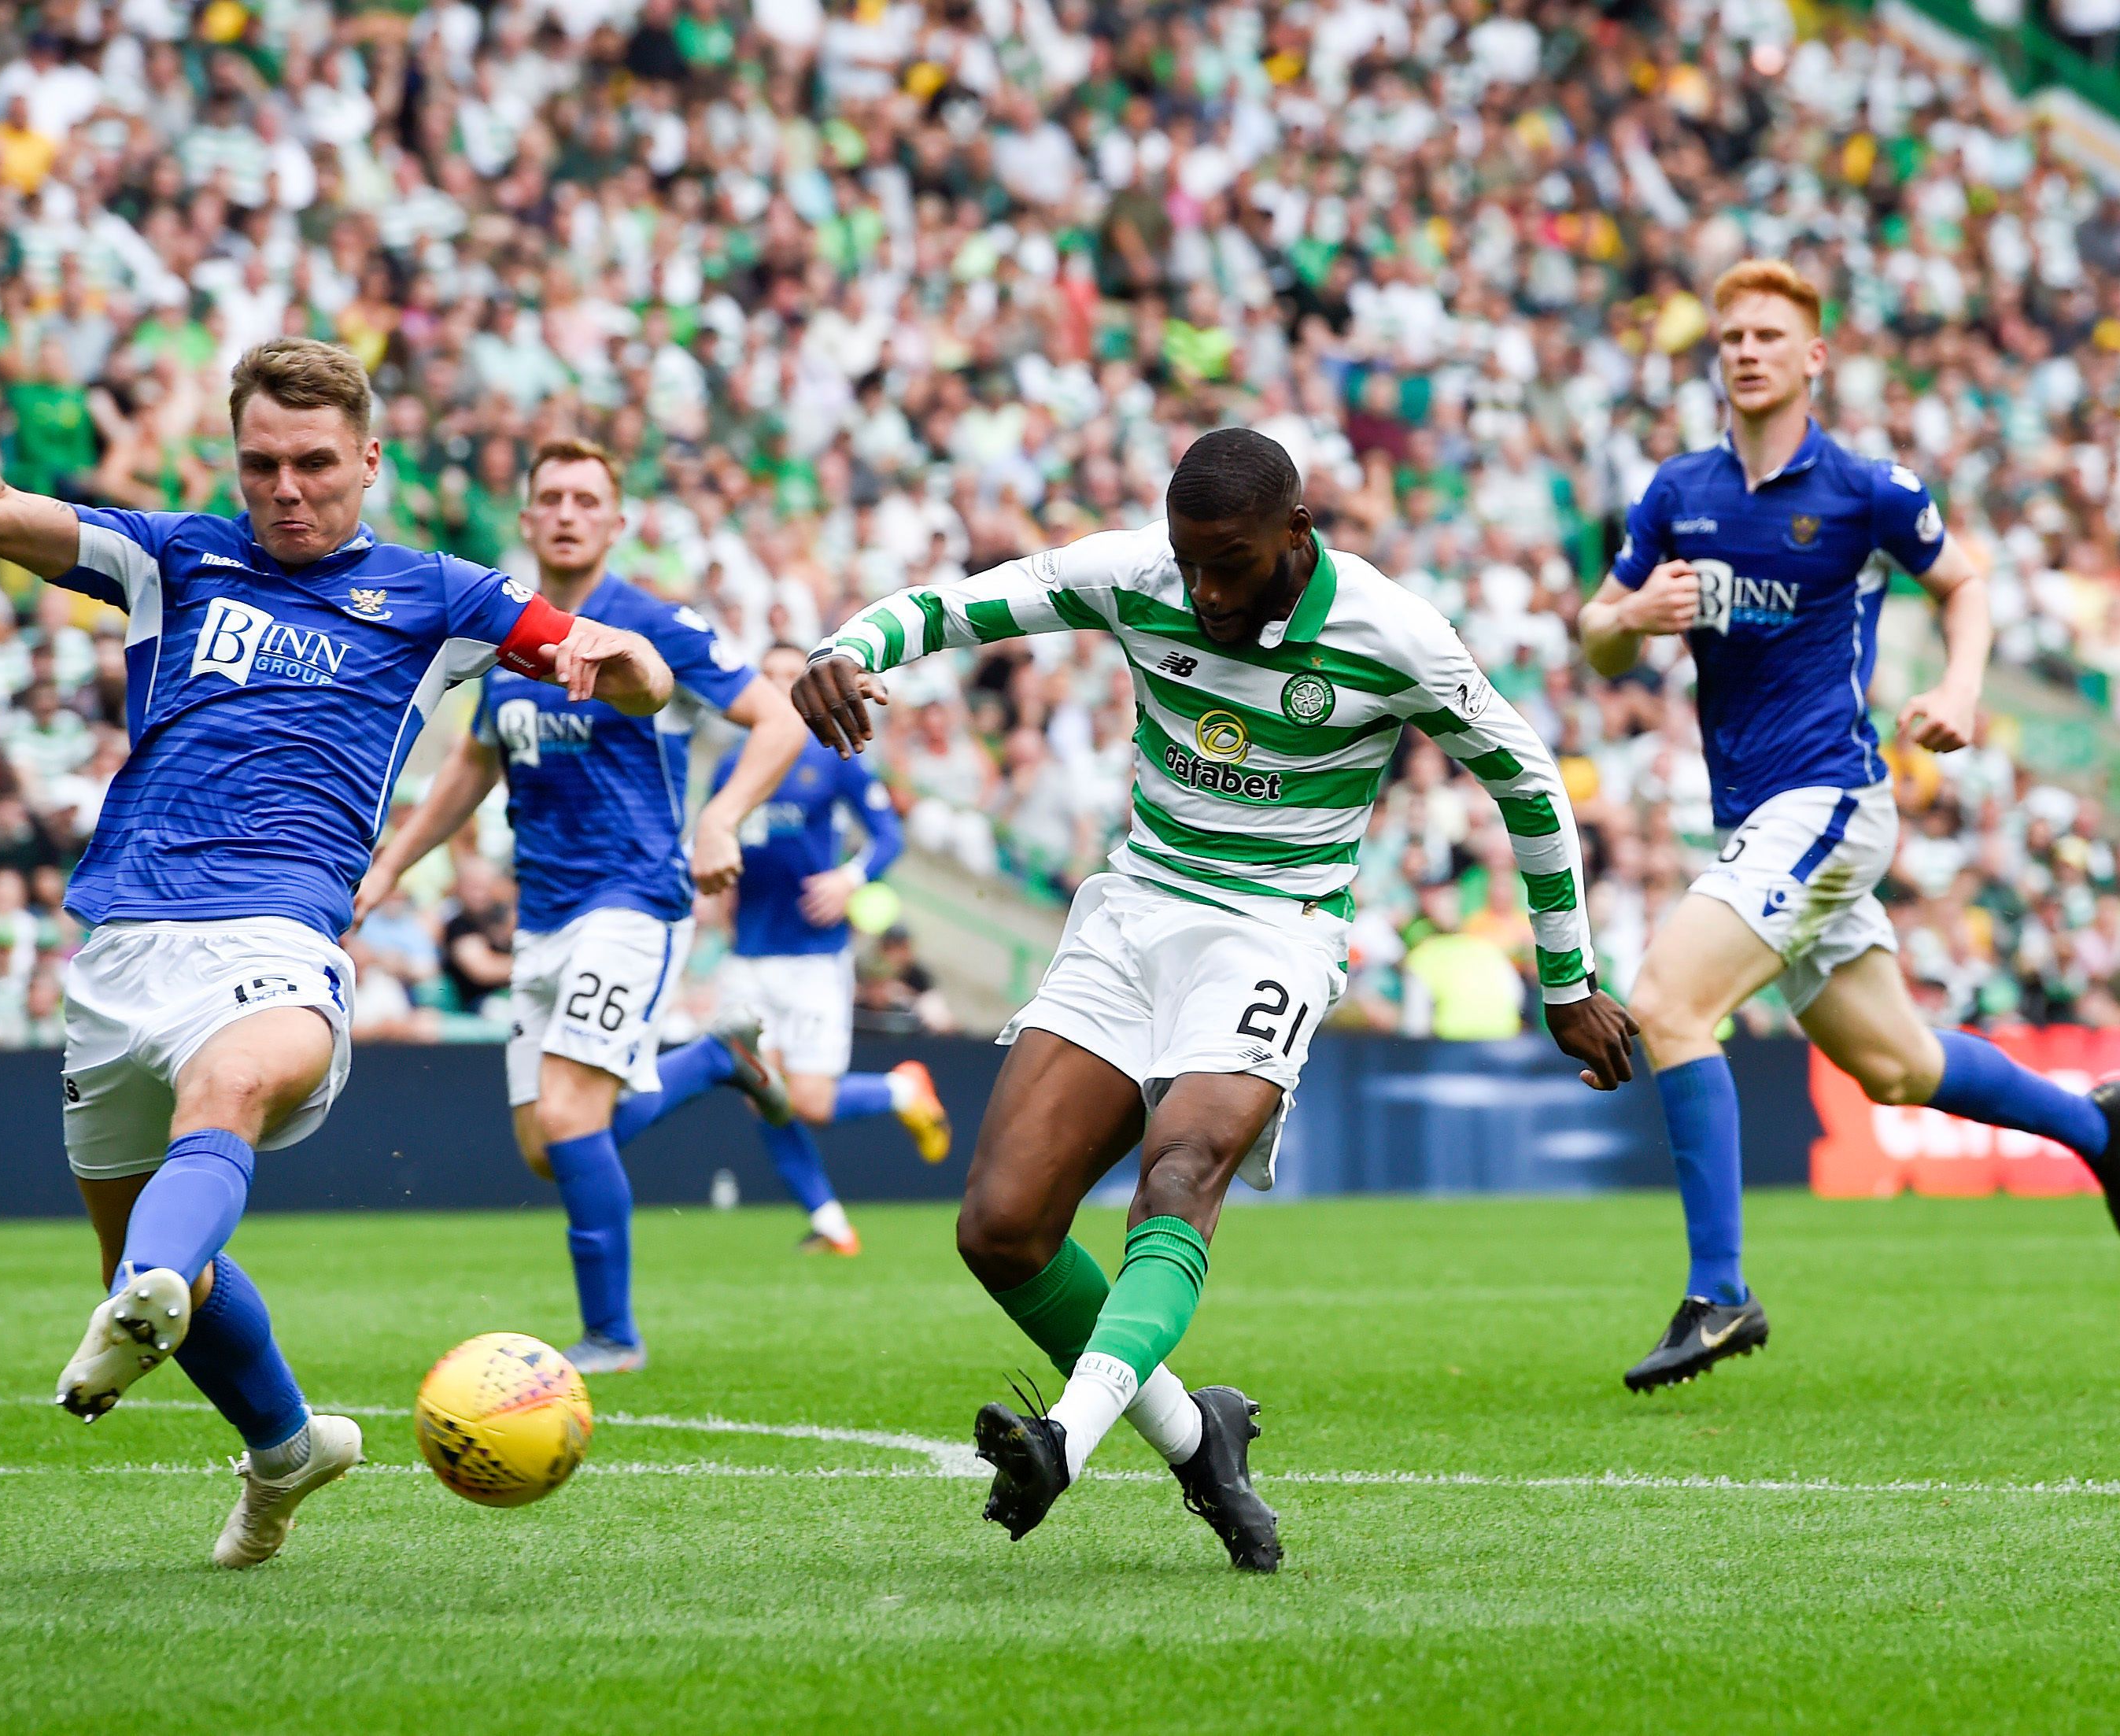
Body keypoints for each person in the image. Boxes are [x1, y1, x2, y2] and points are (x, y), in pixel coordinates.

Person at [0, 244, 669, 1568]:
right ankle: (288, 1449)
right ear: (234, 464)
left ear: (366, 462)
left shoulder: (441, 595)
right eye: (260, 466)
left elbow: (605, 666)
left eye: (311, 463)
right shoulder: (168, 559)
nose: (285, 490)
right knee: (159, 1243)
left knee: (232, 1090)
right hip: (120, 944)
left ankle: (142, 1299)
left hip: (281, 932)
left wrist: (618, 663)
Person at [792, 427, 1637, 1572]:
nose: (1202, 589)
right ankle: (1200, 1439)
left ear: (1296, 533)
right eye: (1187, 559)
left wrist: (1566, 977)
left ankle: (1064, 1440)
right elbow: (958, 607)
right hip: (1134, 912)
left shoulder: (1392, 635)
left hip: (1273, 933)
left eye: (1228, 562)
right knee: (999, 1227)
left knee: (1179, 1173)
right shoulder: (1141, 575)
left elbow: (1524, 780)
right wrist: (843, 647)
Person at [1576, 259, 2120, 1394]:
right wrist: (1629, 618)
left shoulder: (1862, 488)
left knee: (1665, 1002)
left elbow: (1966, 583)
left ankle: (1718, 1290)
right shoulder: (1675, 492)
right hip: (1753, 815)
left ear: (1811, 358)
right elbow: (1596, 632)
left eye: (1766, 335)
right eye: (1729, 334)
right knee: (1895, 1066)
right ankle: (2094, 1129)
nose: (1743, 349)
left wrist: (1959, 687)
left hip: (1831, 798)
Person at [356, 439, 807, 1374]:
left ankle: (612, 1335)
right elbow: (473, 765)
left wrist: (720, 819)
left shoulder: (656, 625)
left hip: (635, 901)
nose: (565, 511)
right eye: (549, 497)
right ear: (524, 520)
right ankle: (715, 1060)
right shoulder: (508, 632)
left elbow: (778, 718)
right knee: (545, 1145)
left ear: (614, 522)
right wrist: (390, 864)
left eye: (584, 498)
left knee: (570, 1120)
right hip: (544, 913)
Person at [711, 641, 953, 1257]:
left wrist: (849, 878)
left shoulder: (833, 758)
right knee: (761, 1096)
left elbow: (887, 834)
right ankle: (830, 1224)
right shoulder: (731, 765)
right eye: (768, 677)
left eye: (793, 677)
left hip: (814, 956)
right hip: (747, 955)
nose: (781, 687)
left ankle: (903, 1090)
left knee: (810, 1101)